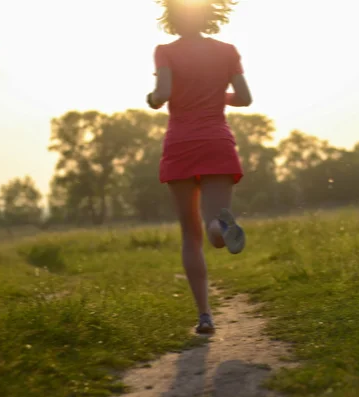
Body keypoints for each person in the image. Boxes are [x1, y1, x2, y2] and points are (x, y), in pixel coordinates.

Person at [146, 0, 253, 334]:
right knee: (212, 221)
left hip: (180, 145)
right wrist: (216, 96)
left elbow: (162, 92)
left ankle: (205, 315)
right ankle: (221, 229)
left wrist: (152, 98)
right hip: (217, 142)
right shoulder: (228, 51)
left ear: (172, 17)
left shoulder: (165, 51)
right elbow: (246, 98)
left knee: (190, 235)